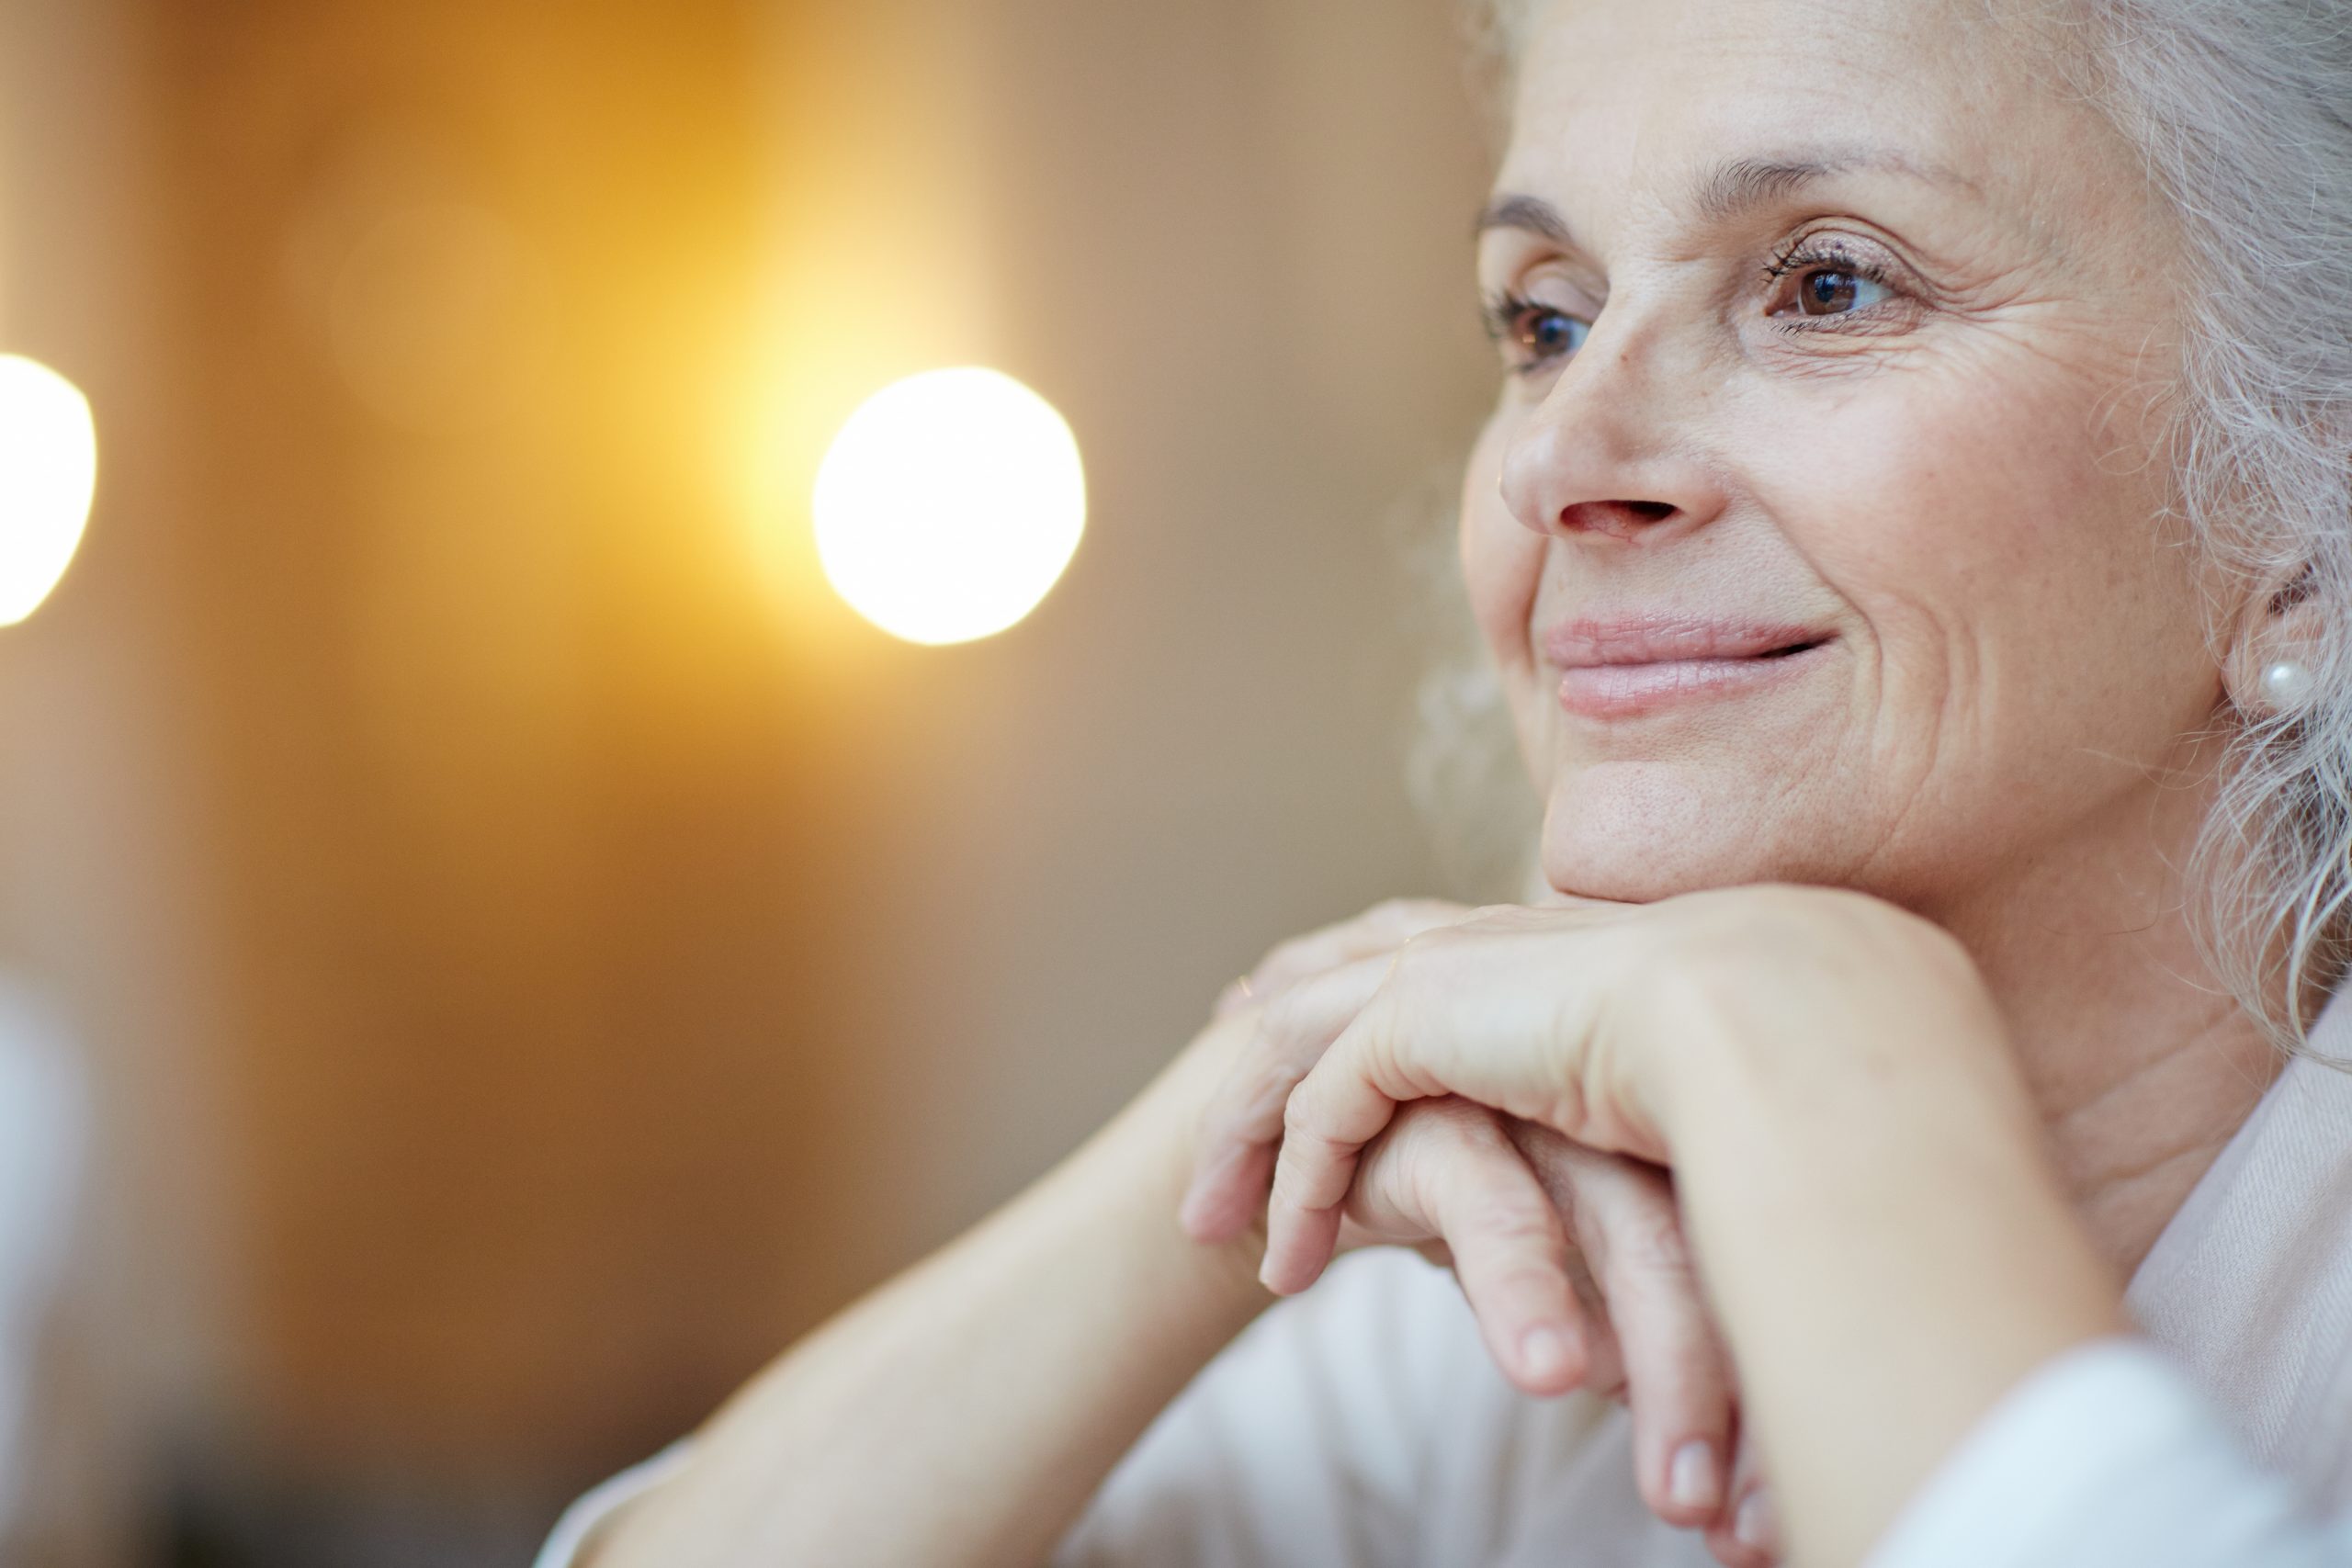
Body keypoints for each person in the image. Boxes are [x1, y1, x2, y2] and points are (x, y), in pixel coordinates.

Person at [537, 0, 2352, 1562]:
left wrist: (1807, 1053)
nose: (1558, 451)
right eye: (1542, 318)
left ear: (2296, 524)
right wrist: (1234, 1117)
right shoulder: (1524, 1297)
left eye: (1823, 284)